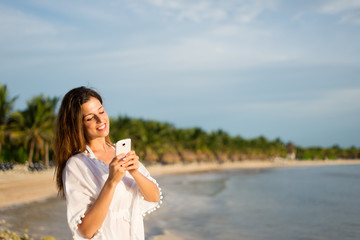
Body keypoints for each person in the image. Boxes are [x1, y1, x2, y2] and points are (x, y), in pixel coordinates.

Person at [54, 86, 162, 240]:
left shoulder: (119, 152)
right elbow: (85, 231)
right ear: (78, 125)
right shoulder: (77, 165)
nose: (100, 120)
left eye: (101, 111)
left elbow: (154, 197)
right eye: (90, 118)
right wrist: (111, 182)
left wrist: (135, 172)